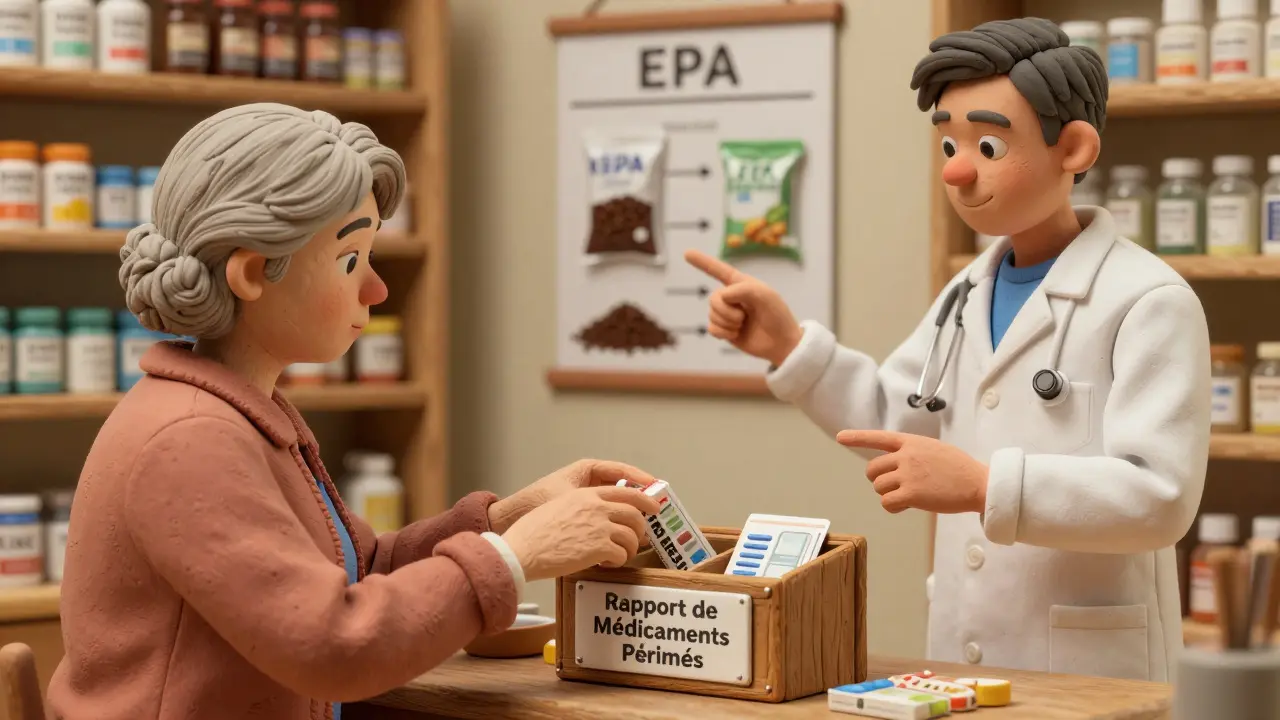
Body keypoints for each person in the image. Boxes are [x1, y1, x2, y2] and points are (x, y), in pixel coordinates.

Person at [46, 103, 661, 720]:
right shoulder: (190, 439)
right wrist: (515, 557)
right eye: (350, 260)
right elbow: (334, 643)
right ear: (254, 273)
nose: (376, 289)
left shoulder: (241, 411)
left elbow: (360, 570)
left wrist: (511, 518)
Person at [685, 17, 1209, 682]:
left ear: (1073, 148)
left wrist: (988, 486)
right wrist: (788, 345)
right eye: (948, 145)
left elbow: (1158, 495)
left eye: (988, 145)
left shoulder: (1147, 300)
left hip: (1093, 664)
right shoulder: (968, 290)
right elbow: (896, 414)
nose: (958, 170)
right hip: (967, 646)